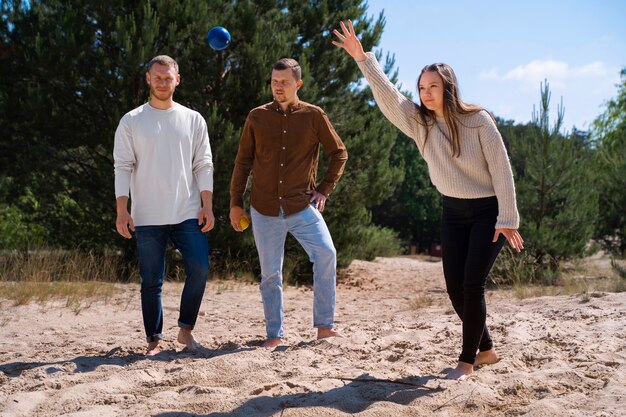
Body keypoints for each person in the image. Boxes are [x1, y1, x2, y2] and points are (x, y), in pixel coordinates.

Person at [333, 20, 524, 380]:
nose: (425, 93)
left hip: (488, 212)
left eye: (433, 86)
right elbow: (390, 97)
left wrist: (508, 217)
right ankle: (486, 350)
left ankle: (466, 362)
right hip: (452, 212)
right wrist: (364, 61)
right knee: (455, 288)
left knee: (472, 285)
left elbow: (502, 169)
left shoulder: (478, 120)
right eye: (421, 87)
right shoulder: (420, 124)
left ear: (448, 87)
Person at [229, 58, 348, 348]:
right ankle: (275, 334)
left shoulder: (313, 115)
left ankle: (325, 327)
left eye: (284, 82)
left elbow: (339, 153)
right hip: (263, 207)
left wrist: (323, 190)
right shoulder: (257, 116)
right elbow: (243, 162)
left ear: (298, 84)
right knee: (270, 273)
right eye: (274, 81)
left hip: (301, 205)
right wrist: (235, 202)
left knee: (326, 254)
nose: (278, 87)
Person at [113, 55, 214, 356]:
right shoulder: (131, 121)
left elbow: (204, 163)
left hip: (186, 211)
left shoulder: (193, 119)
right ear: (148, 78)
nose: (162, 82)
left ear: (177, 80)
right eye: (157, 77)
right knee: (151, 281)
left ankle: (185, 331)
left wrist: (207, 205)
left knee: (199, 268)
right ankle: (154, 340)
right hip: (147, 215)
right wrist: (122, 209)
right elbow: (122, 166)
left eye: (168, 78)